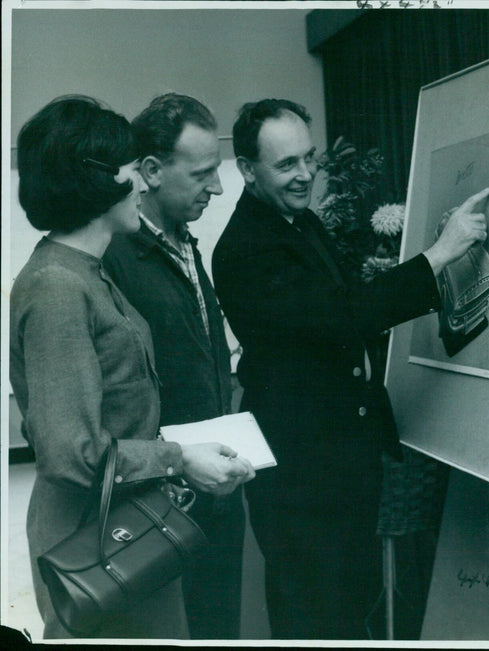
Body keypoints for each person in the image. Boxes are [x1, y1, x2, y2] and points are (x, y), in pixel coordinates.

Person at [212, 98, 489, 639]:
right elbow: (336, 317)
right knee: (315, 621)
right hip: (300, 483)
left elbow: (344, 308)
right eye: (286, 164)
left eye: (309, 158)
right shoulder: (244, 248)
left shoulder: (301, 223)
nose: (306, 175)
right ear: (247, 170)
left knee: (348, 613)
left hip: (339, 469)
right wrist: (439, 254)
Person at [9, 96, 254, 639]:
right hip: (93, 540)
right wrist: (181, 458)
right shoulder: (56, 287)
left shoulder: (86, 272)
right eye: (130, 170)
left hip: (126, 525)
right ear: (96, 182)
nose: (143, 186)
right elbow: (71, 454)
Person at [103, 93, 244, 640]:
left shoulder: (186, 243)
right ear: (152, 171)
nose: (217, 187)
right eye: (204, 173)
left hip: (212, 488)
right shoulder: (115, 257)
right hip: (160, 498)